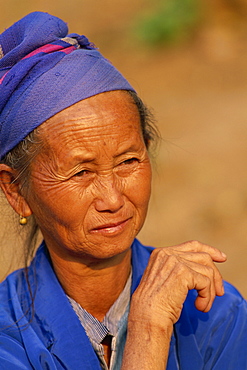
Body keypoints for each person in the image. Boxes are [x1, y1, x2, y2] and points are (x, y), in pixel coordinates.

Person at [0, 12, 246, 370]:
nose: (114, 199)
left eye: (129, 161)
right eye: (82, 171)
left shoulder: (212, 314)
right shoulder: (9, 339)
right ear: (16, 190)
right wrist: (147, 331)